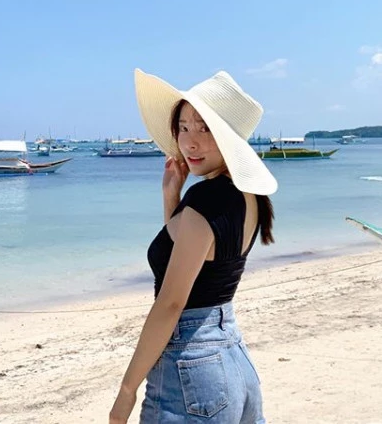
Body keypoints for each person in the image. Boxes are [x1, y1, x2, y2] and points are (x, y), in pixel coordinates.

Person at [109, 68, 278, 423]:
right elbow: (193, 260)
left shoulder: (205, 200)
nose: (190, 142)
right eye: (184, 128)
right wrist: (171, 195)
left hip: (192, 365)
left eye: (204, 129)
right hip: (233, 356)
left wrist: (126, 390)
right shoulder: (247, 196)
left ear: (227, 138)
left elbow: (172, 303)